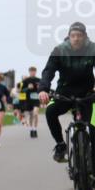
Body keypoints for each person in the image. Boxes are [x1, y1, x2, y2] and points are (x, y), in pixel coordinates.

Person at [38, 22, 95, 163]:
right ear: (69, 37)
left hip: (87, 93)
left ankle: (90, 168)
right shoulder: (59, 50)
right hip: (65, 92)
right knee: (50, 111)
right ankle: (60, 145)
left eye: (79, 36)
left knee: (91, 128)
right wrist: (43, 89)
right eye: (73, 35)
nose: (76, 38)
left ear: (85, 37)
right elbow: (48, 71)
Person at [20, 66, 42, 138]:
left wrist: (39, 88)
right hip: (29, 100)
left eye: (34, 71)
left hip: (36, 99)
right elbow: (21, 91)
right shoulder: (26, 80)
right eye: (31, 71)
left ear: (35, 72)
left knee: (35, 113)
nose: (32, 72)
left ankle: (35, 129)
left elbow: (43, 89)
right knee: (31, 115)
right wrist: (27, 88)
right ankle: (31, 129)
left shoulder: (39, 80)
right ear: (29, 72)